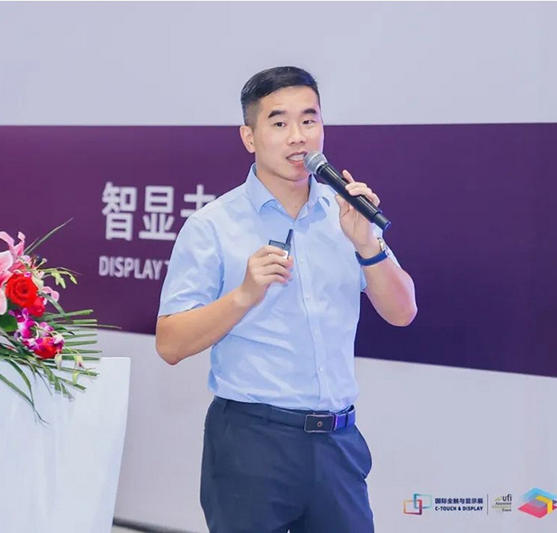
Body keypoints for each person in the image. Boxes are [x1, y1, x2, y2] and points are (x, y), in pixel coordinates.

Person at [155, 66, 417, 533]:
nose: (298, 137)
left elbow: (403, 312)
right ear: (249, 137)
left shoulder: (346, 214)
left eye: (309, 120)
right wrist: (244, 295)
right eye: (279, 123)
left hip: (337, 445)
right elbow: (170, 344)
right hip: (251, 444)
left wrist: (367, 246)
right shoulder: (212, 226)